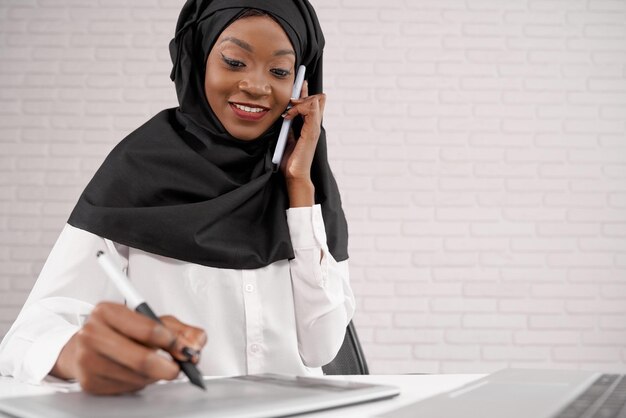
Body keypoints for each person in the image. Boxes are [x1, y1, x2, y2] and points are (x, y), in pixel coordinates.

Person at [0, 0, 354, 395]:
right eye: (235, 62)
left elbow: (322, 345)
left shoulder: (306, 184)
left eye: (279, 71)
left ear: (301, 83)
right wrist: (75, 353)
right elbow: (26, 337)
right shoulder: (138, 169)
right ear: (198, 59)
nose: (257, 85)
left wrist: (299, 190)